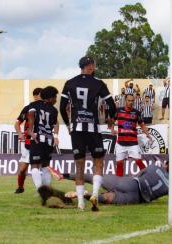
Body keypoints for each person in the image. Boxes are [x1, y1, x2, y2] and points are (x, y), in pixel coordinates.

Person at [59, 56, 116, 211]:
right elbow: (111, 104)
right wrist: (111, 119)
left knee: (79, 165)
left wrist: (69, 125)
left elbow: (62, 106)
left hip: (76, 129)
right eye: (94, 65)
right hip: (92, 128)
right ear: (90, 67)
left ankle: (80, 204)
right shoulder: (98, 83)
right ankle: (95, 194)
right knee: (98, 162)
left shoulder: (69, 83)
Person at [64, 161, 171, 204]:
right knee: (107, 198)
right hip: (138, 198)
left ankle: (64, 175)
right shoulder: (171, 186)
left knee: (95, 178)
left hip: (131, 183)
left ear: (165, 165)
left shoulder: (155, 166)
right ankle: (86, 195)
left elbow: (138, 174)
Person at [27, 86, 59, 191]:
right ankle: (46, 191)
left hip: (37, 138)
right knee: (45, 165)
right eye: (55, 97)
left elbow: (31, 114)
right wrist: (55, 136)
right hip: (48, 140)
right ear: (50, 98)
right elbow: (55, 124)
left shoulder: (34, 105)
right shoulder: (54, 110)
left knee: (35, 165)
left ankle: (41, 191)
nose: (56, 100)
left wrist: (30, 129)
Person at [112, 94, 152, 177]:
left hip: (133, 143)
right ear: (125, 100)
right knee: (119, 164)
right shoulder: (118, 111)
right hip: (121, 143)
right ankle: (119, 184)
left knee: (139, 161)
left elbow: (142, 125)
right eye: (129, 100)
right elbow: (111, 120)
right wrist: (112, 129)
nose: (130, 102)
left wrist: (148, 134)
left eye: (132, 101)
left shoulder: (137, 113)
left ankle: (147, 178)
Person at [14, 87, 42, 194]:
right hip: (27, 141)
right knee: (23, 169)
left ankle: (41, 190)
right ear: (35, 96)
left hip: (40, 141)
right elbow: (17, 123)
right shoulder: (27, 108)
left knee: (38, 166)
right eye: (39, 95)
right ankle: (20, 187)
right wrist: (20, 134)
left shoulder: (45, 108)